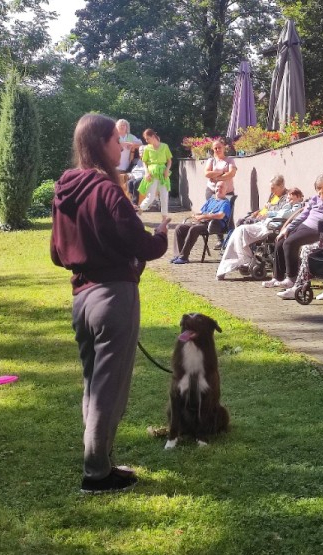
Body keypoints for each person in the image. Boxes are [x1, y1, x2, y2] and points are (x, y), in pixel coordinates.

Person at [50, 113, 170, 494]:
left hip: (81, 300)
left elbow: (56, 252)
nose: (122, 148)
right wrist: (162, 235)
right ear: (101, 142)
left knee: (92, 383)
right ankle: (97, 474)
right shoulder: (106, 189)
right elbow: (144, 245)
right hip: (113, 297)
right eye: (116, 143)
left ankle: (97, 461)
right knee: (109, 387)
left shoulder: (63, 189)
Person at [262, 173, 323, 289]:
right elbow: (303, 216)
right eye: (319, 188)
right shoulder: (314, 199)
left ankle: (291, 278)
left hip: (319, 230)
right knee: (280, 240)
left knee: (289, 243)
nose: (321, 191)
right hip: (304, 226)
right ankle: (278, 277)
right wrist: (287, 228)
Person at [216, 179, 304, 280]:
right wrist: (267, 213)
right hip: (266, 224)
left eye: (291, 198)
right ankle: (237, 261)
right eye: (289, 198)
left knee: (241, 231)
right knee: (239, 230)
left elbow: (284, 214)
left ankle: (241, 260)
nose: (289, 200)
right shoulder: (278, 199)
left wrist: (285, 205)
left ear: (297, 197)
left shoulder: (296, 207)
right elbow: (277, 212)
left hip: (272, 228)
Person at [171, 181, 232, 264]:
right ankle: (178, 255)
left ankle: (184, 257)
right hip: (202, 222)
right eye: (217, 187)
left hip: (214, 224)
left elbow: (220, 216)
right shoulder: (211, 200)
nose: (219, 189)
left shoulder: (225, 203)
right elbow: (201, 212)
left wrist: (204, 216)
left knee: (194, 229)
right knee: (180, 227)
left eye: (221, 187)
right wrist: (196, 215)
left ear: (226, 190)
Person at [139, 128, 172, 217]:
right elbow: (144, 161)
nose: (146, 141)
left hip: (163, 174)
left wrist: (167, 170)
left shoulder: (165, 146)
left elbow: (169, 161)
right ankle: (140, 210)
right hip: (152, 173)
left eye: (147, 138)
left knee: (164, 197)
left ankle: (164, 218)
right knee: (151, 197)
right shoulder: (147, 148)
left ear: (153, 136)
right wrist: (146, 172)